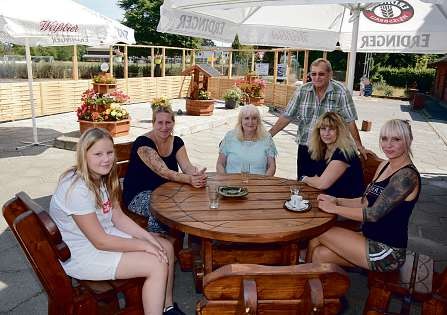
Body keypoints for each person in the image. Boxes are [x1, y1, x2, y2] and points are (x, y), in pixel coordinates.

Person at [49, 128, 185, 315]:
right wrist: (143, 246)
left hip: (105, 236)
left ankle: (166, 307)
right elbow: (100, 241)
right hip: (85, 253)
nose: (106, 159)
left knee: (165, 247)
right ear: (84, 155)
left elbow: (118, 217)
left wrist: (148, 238)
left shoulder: (101, 176)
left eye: (109, 152)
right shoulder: (76, 189)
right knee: (156, 264)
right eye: (98, 154)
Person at [307, 119, 421, 273]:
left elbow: (373, 214)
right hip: (369, 237)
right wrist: (337, 200)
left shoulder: (406, 177)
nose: (388, 145)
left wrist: (334, 208)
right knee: (319, 254)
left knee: (318, 232)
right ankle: (326, 292)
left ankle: (301, 282)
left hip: (387, 251)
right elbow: (365, 202)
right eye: (384, 138)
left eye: (396, 139)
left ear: (408, 141)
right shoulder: (385, 165)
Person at [269, 58, 367, 179]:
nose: (317, 77)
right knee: (303, 183)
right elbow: (287, 116)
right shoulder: (302, 91)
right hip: (306, 146)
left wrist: (358, 144)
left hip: (330, 149)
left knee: (324, 187)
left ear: (330, 74)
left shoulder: (340, 91)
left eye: (321, 74)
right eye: (313, 74)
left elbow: (350, 120)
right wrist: (269, 135)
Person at [123, 102, 207, 233]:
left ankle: (191, 239)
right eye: (160, 123)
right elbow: (164, 172)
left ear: (173, 123)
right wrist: (189, 179)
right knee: (160, 209)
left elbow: (186, 166)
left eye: (168, 122)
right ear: (153, 123)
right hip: (139, 194)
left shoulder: (177, 141)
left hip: (167, 192)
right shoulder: (143, 143)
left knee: (193, 201)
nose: (164, 127)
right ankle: (158, 243)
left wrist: (196, 174)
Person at [301, 112, 364, 198]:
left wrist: (303, 178)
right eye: (323, 128)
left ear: (340, 131)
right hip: (328, 197)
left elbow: (321, 183)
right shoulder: (324, 149)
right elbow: (316, 177)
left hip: (346, 204)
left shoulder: (344, 152)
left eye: (331, 129)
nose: (326, 133)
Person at [216, 104, 277, 175]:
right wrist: (225, 180)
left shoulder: (267, 138)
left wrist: (264, 183)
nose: (250, 122)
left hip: (258, 183)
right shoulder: (230, 136)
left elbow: (272, 166)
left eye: (254, 118)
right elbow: (220, 164)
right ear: (241, 121)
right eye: (246, 118)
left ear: (258, 121)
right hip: (232, 183)